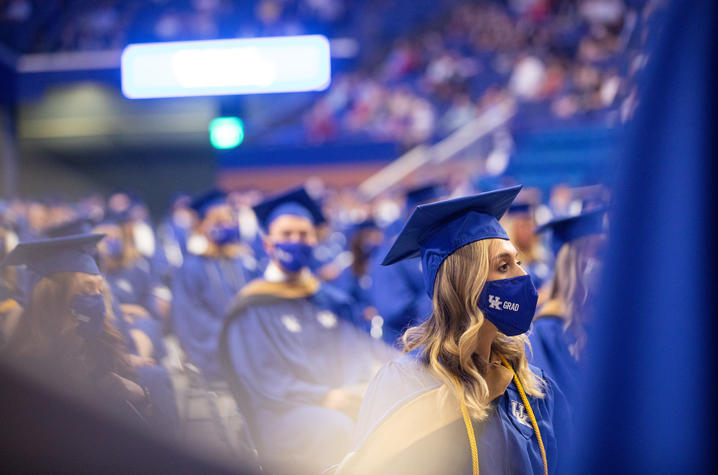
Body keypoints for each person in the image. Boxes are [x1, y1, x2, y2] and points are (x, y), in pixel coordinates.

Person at [336, 185, 570, 474]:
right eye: (504, 266)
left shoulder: (531, 386)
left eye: (518, 262)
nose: (524, 276)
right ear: (463, 286)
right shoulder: (405, 383)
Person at [219, 186, 395, 475]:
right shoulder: (251, 307)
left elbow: (357, 352)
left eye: (303, 235)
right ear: (268, 244)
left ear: (315, 240)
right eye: (286, 235)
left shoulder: (330, 300)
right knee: (338, 428)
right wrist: (323, 397)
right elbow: (263, 379)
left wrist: (356, 391)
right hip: (284, 413)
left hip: (343, 399)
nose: (296, 241)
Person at [1, 234, 151, 427]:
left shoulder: (102, 341)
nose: (97, 299)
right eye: (87, 289)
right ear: (54, 297)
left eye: (99, 289)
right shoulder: (27, 368)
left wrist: (139, 395)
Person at [171, 190, 258, 380]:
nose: (226, 226)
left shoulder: (243, 262)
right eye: (218, 222)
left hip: (250, 341)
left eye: (229, 221)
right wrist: (234, 336)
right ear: (201, 226)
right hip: (214, 347)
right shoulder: (191, 267)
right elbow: (191, 318)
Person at [529, 209, 607, 403]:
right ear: (573, 262)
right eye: (599, 252)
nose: (607, 261)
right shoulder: (547, 331)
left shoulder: (607, 322)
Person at [369, 184, 445, 345]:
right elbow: (391, 309)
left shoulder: (442, 247)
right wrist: (446, 295)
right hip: (410, 348)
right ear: (413, 214)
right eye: (433, 209)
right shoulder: (392, 255)